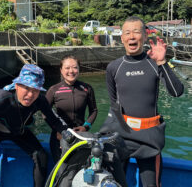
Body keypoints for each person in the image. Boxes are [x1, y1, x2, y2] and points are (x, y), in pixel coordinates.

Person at [100, 16, 184, 187]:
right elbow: (114, 103)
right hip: (121, 136)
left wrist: (162, 62)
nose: (132, 36)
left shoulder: (154, 63)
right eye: (127, 33)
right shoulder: (114, 67)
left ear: (145, 36)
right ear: (122, 38)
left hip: (149, 138)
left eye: (137, 32)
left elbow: (176, 92)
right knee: (115, 184)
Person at [0, 64, 68, 187]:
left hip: (18, 131)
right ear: (16, 86)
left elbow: (54, 120)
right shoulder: (2, 97)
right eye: (26, 87)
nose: (31, 95)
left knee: (41, 156)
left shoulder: (40, 100)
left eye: (35, 90)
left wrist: (65, 133)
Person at [45, 55, 98, 163]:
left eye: (75, 67)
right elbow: (45, 113)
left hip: (81, 135)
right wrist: (59, 131)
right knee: (61, 170)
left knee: (79, 168)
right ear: (61, 70)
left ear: (79, 69)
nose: (71, 71)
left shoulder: (87, 88)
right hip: (59, 136)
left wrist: (85, 127)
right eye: (67, 68)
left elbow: (94, 110)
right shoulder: (53, 90)